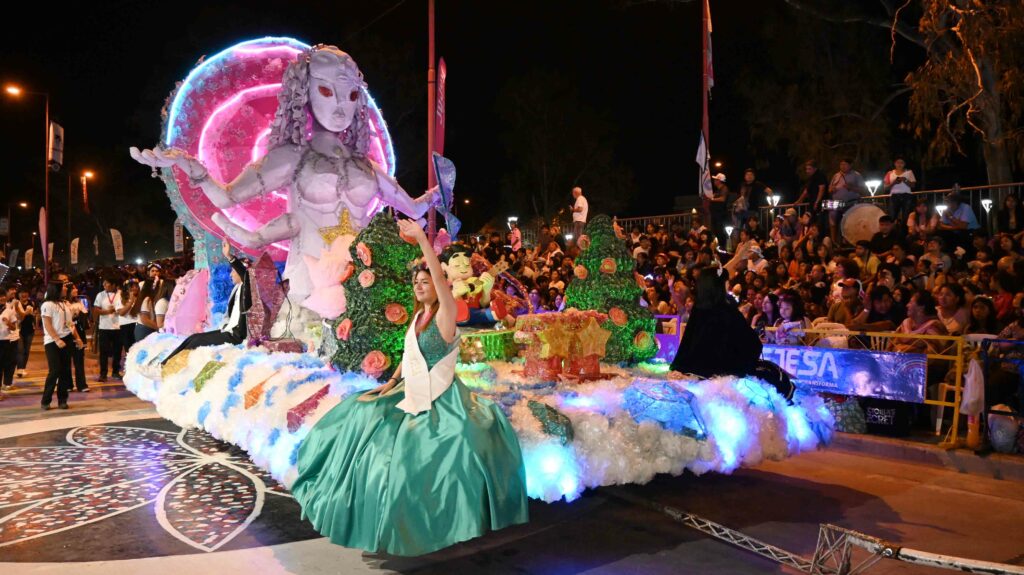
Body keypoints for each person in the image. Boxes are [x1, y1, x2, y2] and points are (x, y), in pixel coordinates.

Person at [292, 219, 529, 556]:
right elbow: (408, 355)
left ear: (438, 284)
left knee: (408, 444)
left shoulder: (446, 313)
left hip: (442, 397)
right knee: (360, 411)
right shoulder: (417, 318)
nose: (419, 286)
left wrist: (421, 240)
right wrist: (389, 383)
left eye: (425, 281)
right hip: (408, 388)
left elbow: (441, 284)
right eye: (416, 282)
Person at [161, 240, 252, 364]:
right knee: (193, 338)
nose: (230, 274)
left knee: (196, 341)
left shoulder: (248, 288)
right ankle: (165, 363)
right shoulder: (237, 289)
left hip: (236, 336)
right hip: (228, 330)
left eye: (233, 271)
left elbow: (245, 275)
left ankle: (168, 365)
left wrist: (229, 256)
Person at [40, 280, 83, 410]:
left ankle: (62, 400)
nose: (66, 288)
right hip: (52, 341)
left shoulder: (65, 304)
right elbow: (47, 324)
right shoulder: (47, 304)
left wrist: (77, 338)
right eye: (63, 286)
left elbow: (70, 324)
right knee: (54, 370)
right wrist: (56, 339)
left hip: (67, 339)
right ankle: (46, 400)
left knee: (65, 370)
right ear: (56, 289)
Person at [826, 159, 867, 246]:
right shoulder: (836, 175)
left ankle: (847, 240)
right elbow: (829, 189)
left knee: (848, 220)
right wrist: (831, 189)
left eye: (845, 164)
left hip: (851, 202)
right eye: (841, 164)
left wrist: (851, 188)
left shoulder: (856, 175)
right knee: (831, 217)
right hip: (836, 202)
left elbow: (863, 190)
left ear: (850, 165)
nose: (842, 166)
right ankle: (833, 241)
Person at [93, 277, 123, 382]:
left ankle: (115, 372)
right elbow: (96, 309)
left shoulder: (121, 293)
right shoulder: (100, 295)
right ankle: (103, 374)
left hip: (118, 326)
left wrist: (116, 310)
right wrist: (107, 312)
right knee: (103, 352)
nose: (104, 285)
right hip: (104, 327)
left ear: (114, 284)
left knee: (117, 351)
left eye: (107, 283)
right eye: (104, 284)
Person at [66, 284, 91, 393]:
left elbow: (85, 315)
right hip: (67, 333)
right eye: (73, 288)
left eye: (76, 288)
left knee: (79, 360)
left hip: (79, 332)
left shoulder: (80, 302)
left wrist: (81, 313)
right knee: (66, 360)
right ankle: (68, 384)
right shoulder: (63, 303)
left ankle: (82, 384)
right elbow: (66, 320)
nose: (76, 290)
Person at [883, 157, 917, 224]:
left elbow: (913, 185)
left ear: (904, 164)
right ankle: (893, 229)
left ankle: (904, 229)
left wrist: (905, 180)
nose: (899, 164)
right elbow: (885, 187)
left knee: (906, 216)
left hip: (907, 196)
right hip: (894, 196)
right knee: (892, 216)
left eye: (902, 163)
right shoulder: (890, 173)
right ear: (894, 163)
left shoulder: (909, 172)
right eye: (898, 162)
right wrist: (894, 183)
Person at [0, 291, 19, 398]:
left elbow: (14, 328)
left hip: (6, 341)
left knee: (5, 365)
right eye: (0, 296)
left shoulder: (9, 311)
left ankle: (6, 384)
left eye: (3, 296)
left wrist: (8, 323)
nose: (2, 298)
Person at [15, 288, 35, 379]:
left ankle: (22, 368)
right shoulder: (16, 304)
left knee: (26, 350)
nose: (24, 294)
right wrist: (25, 313)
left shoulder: (32, 303)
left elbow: (36, 314)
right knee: (20, 350)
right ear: (18, 294)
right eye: (22, 293)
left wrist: (33, 314)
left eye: (26, 292)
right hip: (18, 330)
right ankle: (19, 369)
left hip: (29, 330)